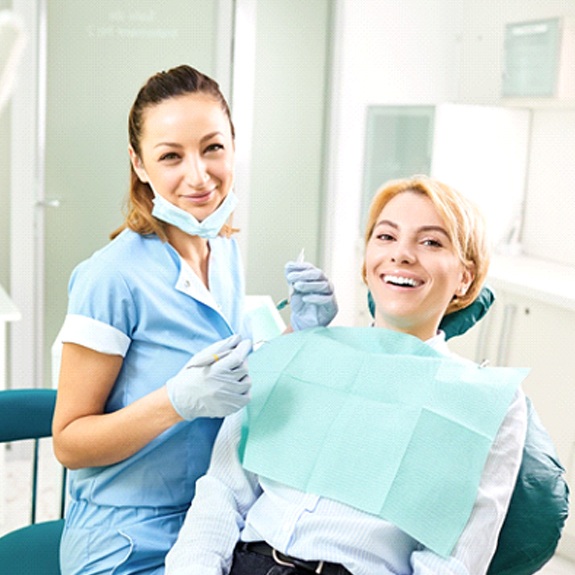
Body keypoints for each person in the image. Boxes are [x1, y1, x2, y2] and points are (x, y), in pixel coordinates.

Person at [51, 64, 337, 575]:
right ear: (139, 165)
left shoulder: (221, 250)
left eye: (212, 148)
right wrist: (175, 402)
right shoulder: (111, 278)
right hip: (127, 541)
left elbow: (227, 371)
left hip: (213, 523)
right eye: (170, 156)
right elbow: (70, 443)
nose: (199, 175)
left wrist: (299, 332)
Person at [165, 175, 528, 575]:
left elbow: (455, 561)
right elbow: (222, 492)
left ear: (465, 277)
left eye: (431, 242)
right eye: (386, 237)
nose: (402, 255)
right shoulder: (300, 350)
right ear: (366, 261)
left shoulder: (483, 403)